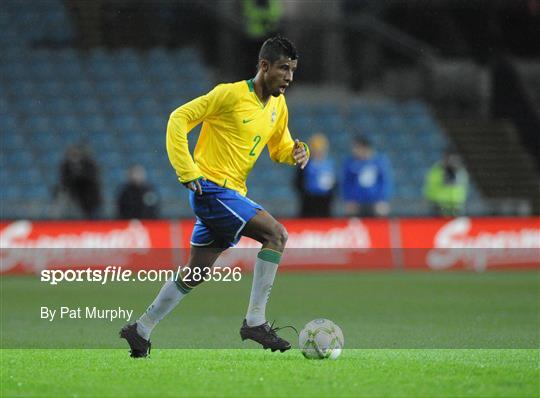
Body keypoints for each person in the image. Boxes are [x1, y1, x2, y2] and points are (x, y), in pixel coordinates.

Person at [120, 36, 309, 357]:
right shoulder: (229, 94)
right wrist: (187, 169)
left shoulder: (278, 105)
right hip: (210, 188)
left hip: (230, 193)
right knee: (276, 235)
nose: (289, 77)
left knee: (197, 272)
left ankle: (140, 330)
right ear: (264, 67)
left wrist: (296, 152)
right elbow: (178, 118)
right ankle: (255, 320)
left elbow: (279, 148)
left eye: (293, 70)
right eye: (283, 69)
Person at [342, 135, 392, 217]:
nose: (354, 150)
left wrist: (383, 199)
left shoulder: (379, 162)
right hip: (356, 202)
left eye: (357, 148)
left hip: (375, 202)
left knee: (381, 213)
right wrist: (349, 199)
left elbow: (385, 182)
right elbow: (347, 183)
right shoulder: (350, 163)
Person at [55, 144, 102, 219]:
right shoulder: (66, 165)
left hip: (90, 197)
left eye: (76, 154)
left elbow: (91, 178)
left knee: (92, 217)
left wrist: (78, 174)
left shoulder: (88, 164)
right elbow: (64, 180)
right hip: (73, 195)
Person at [295, 132, 336, 217]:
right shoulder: (305, 164)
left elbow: (333, 183)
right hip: (308, 202)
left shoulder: (329, 164)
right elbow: (298, 182)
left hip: (325, 202)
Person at [423, 150, 469, 216]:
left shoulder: (461, 171)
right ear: (445, 158)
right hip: (439, 206)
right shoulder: (436, 171)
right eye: (451, 159)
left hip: (457, 206)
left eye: (455, 159)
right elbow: (430, 188)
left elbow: (463, 188)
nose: (453, 161)